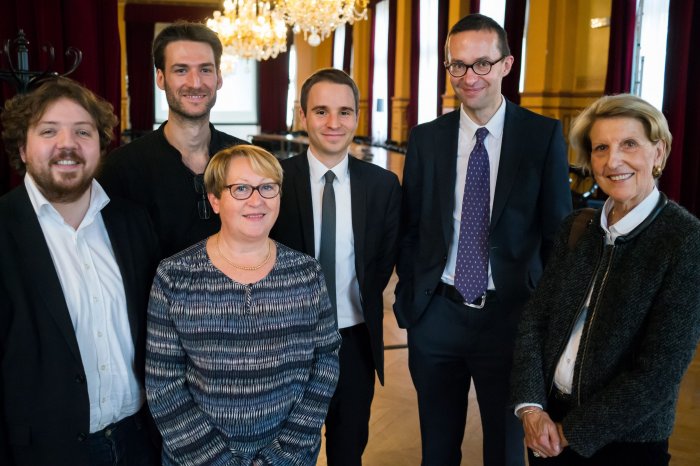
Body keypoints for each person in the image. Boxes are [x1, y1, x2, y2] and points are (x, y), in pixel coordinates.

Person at [394, 13, 572, 466]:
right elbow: (411, 228)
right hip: (437, 316)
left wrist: (550, 322)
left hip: (512, 321)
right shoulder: (426, 139)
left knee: (507, 452)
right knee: (436, 448)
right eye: (458, 65)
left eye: (482, 64)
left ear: (506, 65)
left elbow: (558, 237)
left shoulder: (542, 136)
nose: (469, 77)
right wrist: (412, 302)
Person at [510, 94, 700, 465]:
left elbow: (658, 374)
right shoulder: (577, 227)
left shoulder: (685, 241)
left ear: (658, 153)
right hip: (547, 429)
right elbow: (536, 320)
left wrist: (572, 433)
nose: (613, 161)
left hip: (626, 443)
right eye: (601, 148)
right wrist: (531, 409)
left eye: (629, 144)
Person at [146, 144, 341, 465]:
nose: (256, 200)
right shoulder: (175, 276)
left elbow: (325, 365)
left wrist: (282, 456)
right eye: (240, 189)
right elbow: (164, 384)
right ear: (215, 199)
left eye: (267, 187)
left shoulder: (307, 273)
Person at [0, 77, 160, 466]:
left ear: (101, 146)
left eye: (82, 132)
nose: (67, 145)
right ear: (22, 147)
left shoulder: (133, 223)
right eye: (49, 131)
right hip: (43, 453)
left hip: (140, 442)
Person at [270, 68, 401, 465]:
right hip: (285, 341)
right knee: (286, 450)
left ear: (357, 117)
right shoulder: (274, 180)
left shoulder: (382, 186)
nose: (333, 123)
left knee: (349, 447)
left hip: (353, 341)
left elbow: (382, 263)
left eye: (344, 112)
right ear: (303, 115)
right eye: (321, 111)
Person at [99, 21, 246, 259]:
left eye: (205, 70)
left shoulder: (247, 158)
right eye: (181, 70)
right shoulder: (120, 169)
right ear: (160, 78)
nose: (195, 82)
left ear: (219, 78)